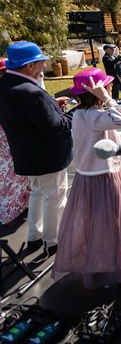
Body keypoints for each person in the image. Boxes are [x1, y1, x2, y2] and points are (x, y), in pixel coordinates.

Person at [53, 68, 121, 287]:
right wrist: (107, 99)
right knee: (119, 222)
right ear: (97, 92)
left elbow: (107, 133)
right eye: (107, 85)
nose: (111, 86)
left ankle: (94, 262)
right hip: (104, 177)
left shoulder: (80, 114)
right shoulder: (95, 116)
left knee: (93, 223)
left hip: (86, 178)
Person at [0, 42, 72, 255]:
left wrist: (51, 105)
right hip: (48, 157)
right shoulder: (32, 93)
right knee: (55, 197)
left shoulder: (4, 86)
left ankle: (34, 235)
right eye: (41, 62)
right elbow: (54, 127)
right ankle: (53, 241)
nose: (44, 65)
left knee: (37, 193)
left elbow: (26, 117)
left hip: (25, 154)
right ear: (29, 66)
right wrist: (73, 114)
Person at [0, 58, 30, 225]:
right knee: (11, 175)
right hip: (8, 140)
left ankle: (14, 206)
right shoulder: (9, 90)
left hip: (8, 140)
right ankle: (11, 210)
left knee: (9, 176)